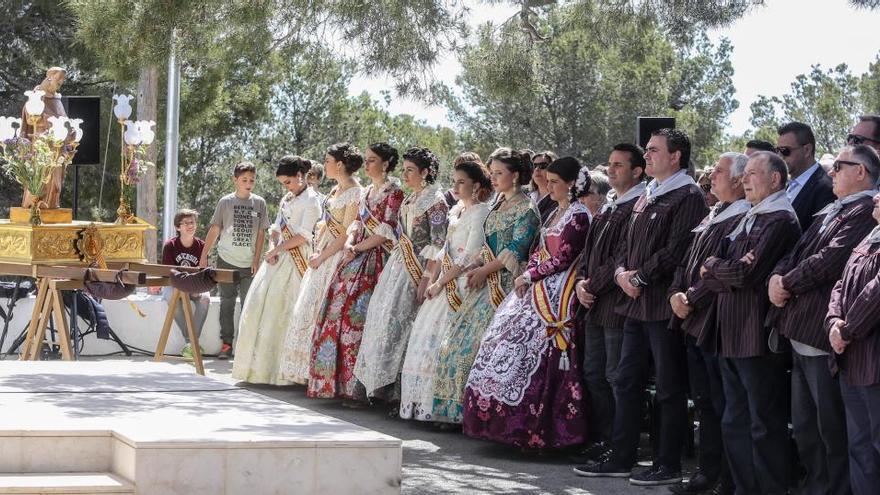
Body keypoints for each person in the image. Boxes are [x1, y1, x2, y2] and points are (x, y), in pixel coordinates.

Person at [577, 129, 708, 486]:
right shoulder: (647, 194)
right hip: (632, 306)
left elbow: (678, 248)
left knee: (668, 388)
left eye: (653, 150)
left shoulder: (688, 195)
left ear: (676, 156)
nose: (647, 155)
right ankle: (622, 457)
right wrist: (621, 273)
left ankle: (668, 464)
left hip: (661, 307)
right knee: (624, 382)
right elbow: (626, 245)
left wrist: (640, 278)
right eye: (646, 151)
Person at [769, 145, 880, 495]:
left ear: (860, 172)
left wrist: (787, 283)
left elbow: (832, 261)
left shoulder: (863, 211)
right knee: (806, 427)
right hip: (807, 330)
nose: (830, 173)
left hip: (827, 339)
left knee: (834, 431)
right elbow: (801, 250)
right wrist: (778, 276)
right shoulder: (834, 208)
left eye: (839, 167)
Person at [462, 157, 591, 450]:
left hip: (559, 291)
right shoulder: (556, 213)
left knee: (534, 347)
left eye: (555, 182)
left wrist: (529, 276)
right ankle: (499, 423)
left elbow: (564, 257)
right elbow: (539, 251)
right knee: (502, 340)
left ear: (571, 185)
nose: (549, 186)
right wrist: (527, 275)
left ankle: (538, 428)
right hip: (537, 285)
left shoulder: (579, 215)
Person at [705, 151, 801, 495]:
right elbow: (727, 268)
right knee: (734, 420)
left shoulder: (779, 219)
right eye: (743, 174)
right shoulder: (752, 216)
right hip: (729, 332)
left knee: (763, 423)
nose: (744, 178)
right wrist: (721, 267)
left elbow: (744, 272)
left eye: (752, 174)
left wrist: (715, 265)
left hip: (756, 335)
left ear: (775, 179)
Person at [431, 148, 541, 424]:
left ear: (515, 176)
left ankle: (477, 415)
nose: (493, 178)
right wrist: (475, 265)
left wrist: (483, 269)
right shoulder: (498, 205)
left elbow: (515, 250)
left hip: (505, 285)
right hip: (484, 278)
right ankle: (452, 411)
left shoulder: (526, 209)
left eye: (499, 173)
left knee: (478, 347)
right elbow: (487, 246)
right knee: (454, 342)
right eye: (491, 173)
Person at [665, 152, 751, 495]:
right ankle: (707, 471)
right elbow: (687, 262)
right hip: (691, 321)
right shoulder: (714, 212)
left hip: (715, 321)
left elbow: (722, 270)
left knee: (723, 405)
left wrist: (691, 298)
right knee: (705, 403)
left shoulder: (741, 216)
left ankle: (726, 478)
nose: (710, 175)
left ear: (737, 180)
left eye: (718, 171)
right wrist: (675, 293)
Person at [354, 147, 448, 411]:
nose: (405, 175)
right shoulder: (409, 199)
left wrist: (426, 278)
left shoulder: (436, 201)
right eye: (404, 169)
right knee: (383, 321)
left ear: (425, 172)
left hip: (417, 269)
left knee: (403, 325)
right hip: (398, 266)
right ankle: (376, 387)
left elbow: (439, 243)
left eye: (410, 170)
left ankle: (396, 392)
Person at [307, 143, 404, 401]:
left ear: (385, 164)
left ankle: (358, 388)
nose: (367, 164)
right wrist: (350, 242)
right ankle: (335, 383)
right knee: (335, 315)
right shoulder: (367, 191)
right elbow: (357, 222)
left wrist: (357, 246)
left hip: (376, 260)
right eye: (367, 159)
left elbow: (386, 231)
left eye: (373, 160)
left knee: (358, 319)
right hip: (354, 256)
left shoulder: (394, 192)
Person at [569, 143, 646, 465]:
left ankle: (620, 444)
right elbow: (590, 252)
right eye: (610, 164)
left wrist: (594, 284)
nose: (611, 170)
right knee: (594, 373)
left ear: (637, 171)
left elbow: (621, 256)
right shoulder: (612, 204)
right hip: (595, 303)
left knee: (617, 377)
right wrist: (581, 282)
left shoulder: (637, 205)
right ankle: (604, 438)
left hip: (616, 304)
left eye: (619, 165)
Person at [398, 161, 492, 422]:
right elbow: (443, 249)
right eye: (455, 181)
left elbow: (470, 255)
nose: (456, 186)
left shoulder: (482, 212)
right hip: (443, 281)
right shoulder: (457, 211)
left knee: (445, 343)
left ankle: (444, 409)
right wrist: (431, 278)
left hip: (461, 283)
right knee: (425, 339)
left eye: (462, 181)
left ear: (476, 185)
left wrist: (441, 282)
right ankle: (420, 404)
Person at [231, 156, 322, 385]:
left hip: (298, 259)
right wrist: (273, 248)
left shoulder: (312, 200)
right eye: (283, 183)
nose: (286, 187)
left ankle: (286, 373)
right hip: (278, 257)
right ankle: (260, 370)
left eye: (288, 182)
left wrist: (277, 249)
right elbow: (276, 228)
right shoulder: (288, 197)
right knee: (259, 307)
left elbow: (304, 234)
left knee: (285, 309)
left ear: (300, 177)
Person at [278, 143, 363, 384]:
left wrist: (322, 256)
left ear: (339, 164)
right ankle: (303, 371)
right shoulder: (336, 190)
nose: (323, 165)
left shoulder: (356, 193)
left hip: (334, 257)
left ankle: (318, 374)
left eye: (327, 161)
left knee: (320, 312)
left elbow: (345, 233)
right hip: (322, 251)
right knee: (307, 310)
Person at [826, 192, 880, 495]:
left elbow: (876, 292)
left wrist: (847, 328)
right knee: (859, 447)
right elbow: (840, 282)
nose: (876, 196)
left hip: (873, 360)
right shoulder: (871, 236)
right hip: (852, 360)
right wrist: (833, 321)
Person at [199, 161, 269, 359]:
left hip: (249, 264)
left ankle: (245, 346)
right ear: (235, 180)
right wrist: (204, 255)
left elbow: (262, 233)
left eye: (252, 180)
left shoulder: (260, 203)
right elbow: (215, 229)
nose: (249, 183)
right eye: (244, 179)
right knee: (227, 304)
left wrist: (257, 260)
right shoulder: (225, 202)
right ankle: (226, 344)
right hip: (226, 261)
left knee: (249, 304)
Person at [161, 209, 210, 360]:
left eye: (193, 222)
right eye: (186, 223)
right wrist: (184, 289)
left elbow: (204, 271)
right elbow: (169, 273)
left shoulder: (202, 246)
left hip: (195, 285)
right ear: (178, 227)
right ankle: (192, 342)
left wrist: (197, 287)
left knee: (205, 299)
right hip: (174, 285)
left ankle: (190, 344)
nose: (190, 225)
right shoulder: (170, 246)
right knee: (172, 299)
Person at [776, 122, 836, 230]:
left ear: (807, 150)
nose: (780, 156)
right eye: (778, 151)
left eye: (785, 151)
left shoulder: (826, 189)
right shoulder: (786, 186)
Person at [530, 151, 559, 222]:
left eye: (542, 166)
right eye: (534, 166)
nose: (537, 169)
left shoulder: (558, 200)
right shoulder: (527, 196)